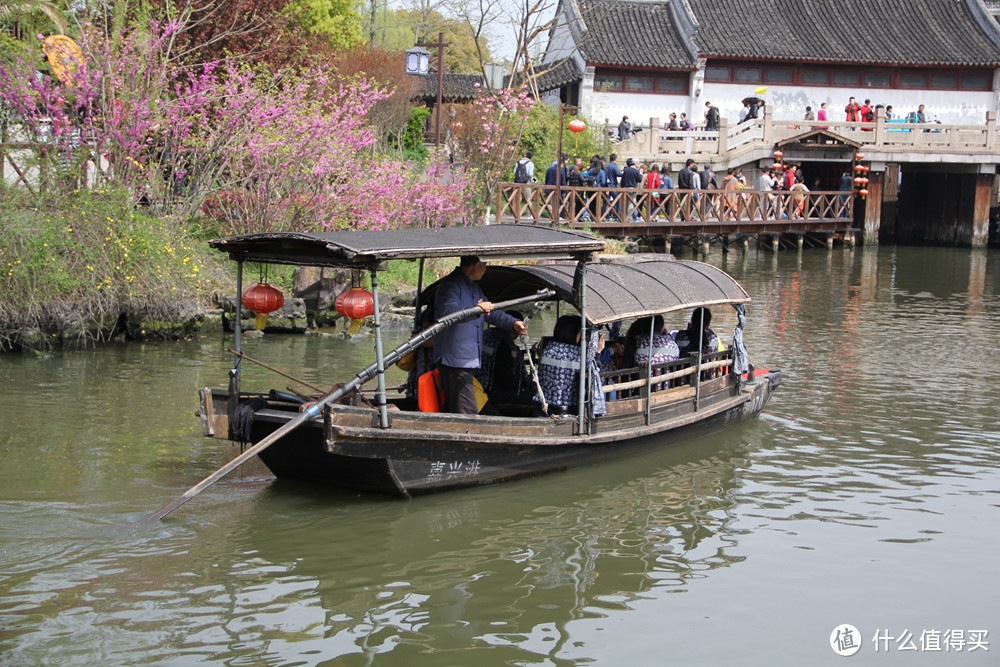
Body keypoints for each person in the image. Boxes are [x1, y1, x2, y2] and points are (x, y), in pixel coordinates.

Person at [434, 256, 526, 414]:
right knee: (467, 409)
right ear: (475, 265)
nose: (485, 269)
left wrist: (513, 323)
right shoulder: (451, 285)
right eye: (484, 265)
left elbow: (491, 312)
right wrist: (474, 309)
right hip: (455, 360)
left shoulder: (473, 288)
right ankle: (468, 436)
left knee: (462, 406)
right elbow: (447, 313)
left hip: (467, 360)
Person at [537, 315, 606, 416]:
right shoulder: (578, 353)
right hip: (570, 406)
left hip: (544, 403)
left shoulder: (547, 350)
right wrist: (598, 353)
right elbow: (597, 379)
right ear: (575, 333)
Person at [630, 315, 680, 391]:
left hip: (644, 390)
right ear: (662, 328)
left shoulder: (637, 342)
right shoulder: (673, 344)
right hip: (667, 389)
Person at [620, 157, 643, 221]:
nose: (638, 165)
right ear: (635, 163)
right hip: (632, 188)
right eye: (638, 163)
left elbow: (623, 180)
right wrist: (641, 173)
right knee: (631, 203)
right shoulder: (636, 171)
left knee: (625, 203)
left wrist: (622, 187)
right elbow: (639, 179)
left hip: (625, 188)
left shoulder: (626, 170)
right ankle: (629, 218)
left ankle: (624, 217)